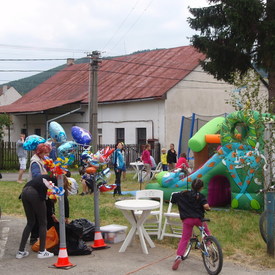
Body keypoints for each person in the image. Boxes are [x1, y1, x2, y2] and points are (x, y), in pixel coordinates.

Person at [170, 179, 211, 270]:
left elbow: (173, 197)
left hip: (187, 220)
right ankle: (208, 244)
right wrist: (209, 208)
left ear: (192, 186)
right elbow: (206, 206)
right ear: (201, 188)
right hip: (198, 219)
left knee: (184, 238)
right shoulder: (200, 196)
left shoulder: (183, 194)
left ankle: (179, 256)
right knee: (206, 231)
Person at [16, 175, 56, 259]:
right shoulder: (54, 182)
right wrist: (52, 213)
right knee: (43, 222)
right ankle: (42, 251)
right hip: (35, 194)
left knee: (30, 222)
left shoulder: (45, 177)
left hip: (24, 192)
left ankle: (21, 251)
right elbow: (50, 200)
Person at [28, 143, 51, 245]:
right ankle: (34, 238)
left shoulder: (41, 160)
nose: (47, 155)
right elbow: (36, 175)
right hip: (35, 192)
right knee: (36, 217)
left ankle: (38, 237)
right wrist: (46, 174)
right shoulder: (35, 162)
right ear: (39, 152)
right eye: (45, 153)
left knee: (38, 217)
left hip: (38, 190)